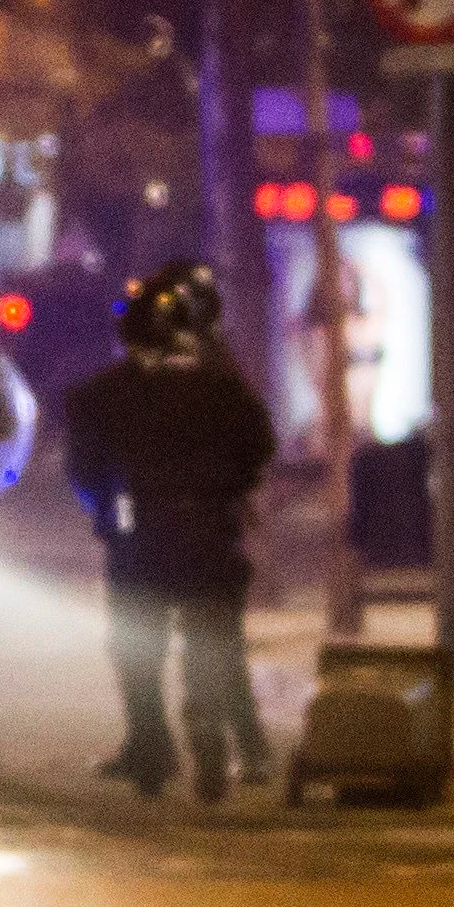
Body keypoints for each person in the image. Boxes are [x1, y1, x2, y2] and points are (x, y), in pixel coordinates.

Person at [65, 260, 278, 802]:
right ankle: (208, 735)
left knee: (137, 645)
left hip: (139, 534)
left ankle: (152, 746)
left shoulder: (105, 393)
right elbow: (260, 446)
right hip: (209, 527)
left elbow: (84, 467)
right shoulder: (221, 387)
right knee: (210, 639)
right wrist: (230, 488)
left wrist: (107, 513)